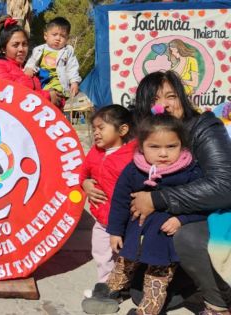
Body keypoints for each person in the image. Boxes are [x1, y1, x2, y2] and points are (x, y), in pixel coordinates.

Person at [90, 71, 231, 314]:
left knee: (185, 239)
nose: (163, 105)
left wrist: (158, 199)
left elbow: (224, 185)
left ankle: (218, 302)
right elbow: (123, 185)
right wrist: (88, 183)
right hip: (163, 219)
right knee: (139, 291)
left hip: (210, 214)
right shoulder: (146, 139)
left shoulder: (203, 127)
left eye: (171, 96)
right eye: (155, 99)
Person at [83, 110, 207, 315]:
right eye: (154, 147)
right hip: (135, 233)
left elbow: (201, 204)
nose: (163, 153)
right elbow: (120, 203)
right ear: (141, 147)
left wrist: (182, 219)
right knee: (123, 265)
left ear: (182, 145)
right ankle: (108, 293)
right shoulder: (134, 170)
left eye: (171, 146)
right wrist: (115, 231)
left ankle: (148, 310)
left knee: (157, 280)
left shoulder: (190, 171)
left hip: (163, 241)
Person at [79, 105, 136, 289]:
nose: (96, 133)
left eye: (101, 128)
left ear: (123, 130)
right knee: (101, 252)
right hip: (102, 220)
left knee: (125, 254)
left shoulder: (133, 156)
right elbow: (83, 174)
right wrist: (86, 184)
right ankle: (105, 285)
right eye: (94, 128)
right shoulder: (95, 152)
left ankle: (125, 283)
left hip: (127, 220)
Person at [0, 16, 50, 101]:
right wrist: (48, 96)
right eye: (15, 45)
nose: (21, 49)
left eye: (24, 44)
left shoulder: (30, 67)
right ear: (3, 49)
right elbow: (10, 95)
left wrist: (57, 98)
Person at [24, 16, 81, 107]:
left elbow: (72, 67)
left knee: (54, 98)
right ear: (46, 36)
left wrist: (74, 82)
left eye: (62, 36)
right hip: (42, 80)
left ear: (67, 39)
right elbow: (32, 61)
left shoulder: (67, 51)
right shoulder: (39, 49)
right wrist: (29, 68)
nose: (58, 38)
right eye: (54, 34)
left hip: (58, 82)